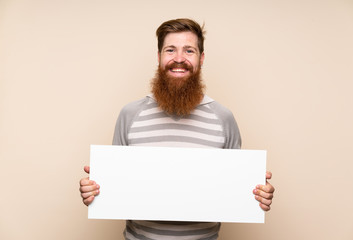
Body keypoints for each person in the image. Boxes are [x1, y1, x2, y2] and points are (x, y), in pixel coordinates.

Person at [79, 18, 275, 240]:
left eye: (189, 51)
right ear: (159, 57)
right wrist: (94, 191)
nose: (179, 59)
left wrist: (258, 194)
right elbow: (114, 187)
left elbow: (237, 189)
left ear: (201, 59)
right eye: (170, 50)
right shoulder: (130, 115)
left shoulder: (223, 118)